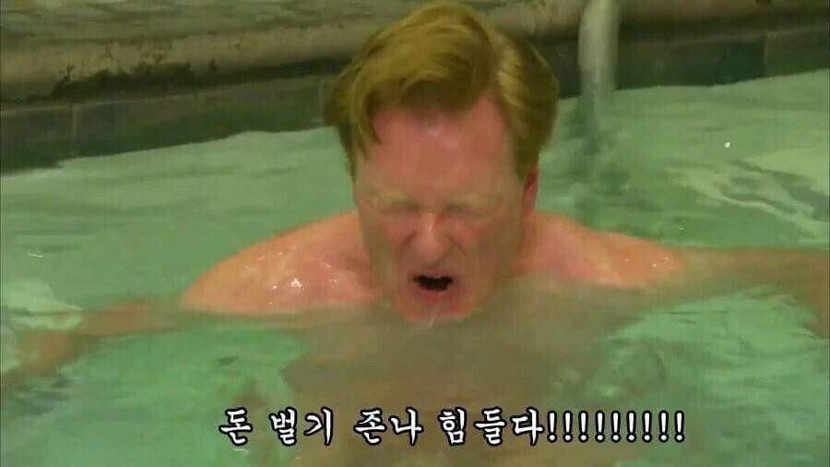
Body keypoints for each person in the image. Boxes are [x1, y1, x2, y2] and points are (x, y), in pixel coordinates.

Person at [2, 2, 827, 464]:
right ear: (354, 183)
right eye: (396, 206)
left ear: (529, 190)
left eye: (465, 209)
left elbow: (808, 270)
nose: (429, 245)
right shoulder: (277, 288)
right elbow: (92, 337)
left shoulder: (595, 276)